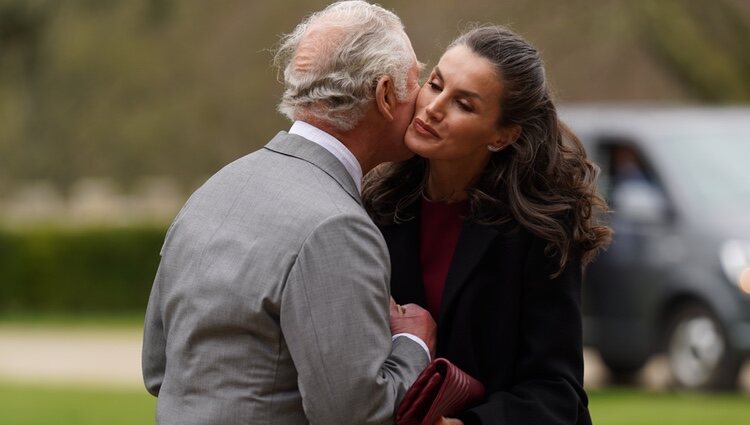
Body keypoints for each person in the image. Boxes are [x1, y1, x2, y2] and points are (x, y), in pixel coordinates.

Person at [142, 2, 437, 424]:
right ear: (386, 95)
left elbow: (158, 370)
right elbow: (355, 414)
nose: (424, 100)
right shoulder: (336, 226)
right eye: (417, 80)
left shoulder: (214, 190)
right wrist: (414, 343)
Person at [363, 25, 612, 425]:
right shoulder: (375, 205)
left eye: (463, 104)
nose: (433, 108)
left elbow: (556, 391)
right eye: (435, 84)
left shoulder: (539, 230)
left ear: (502, 135)